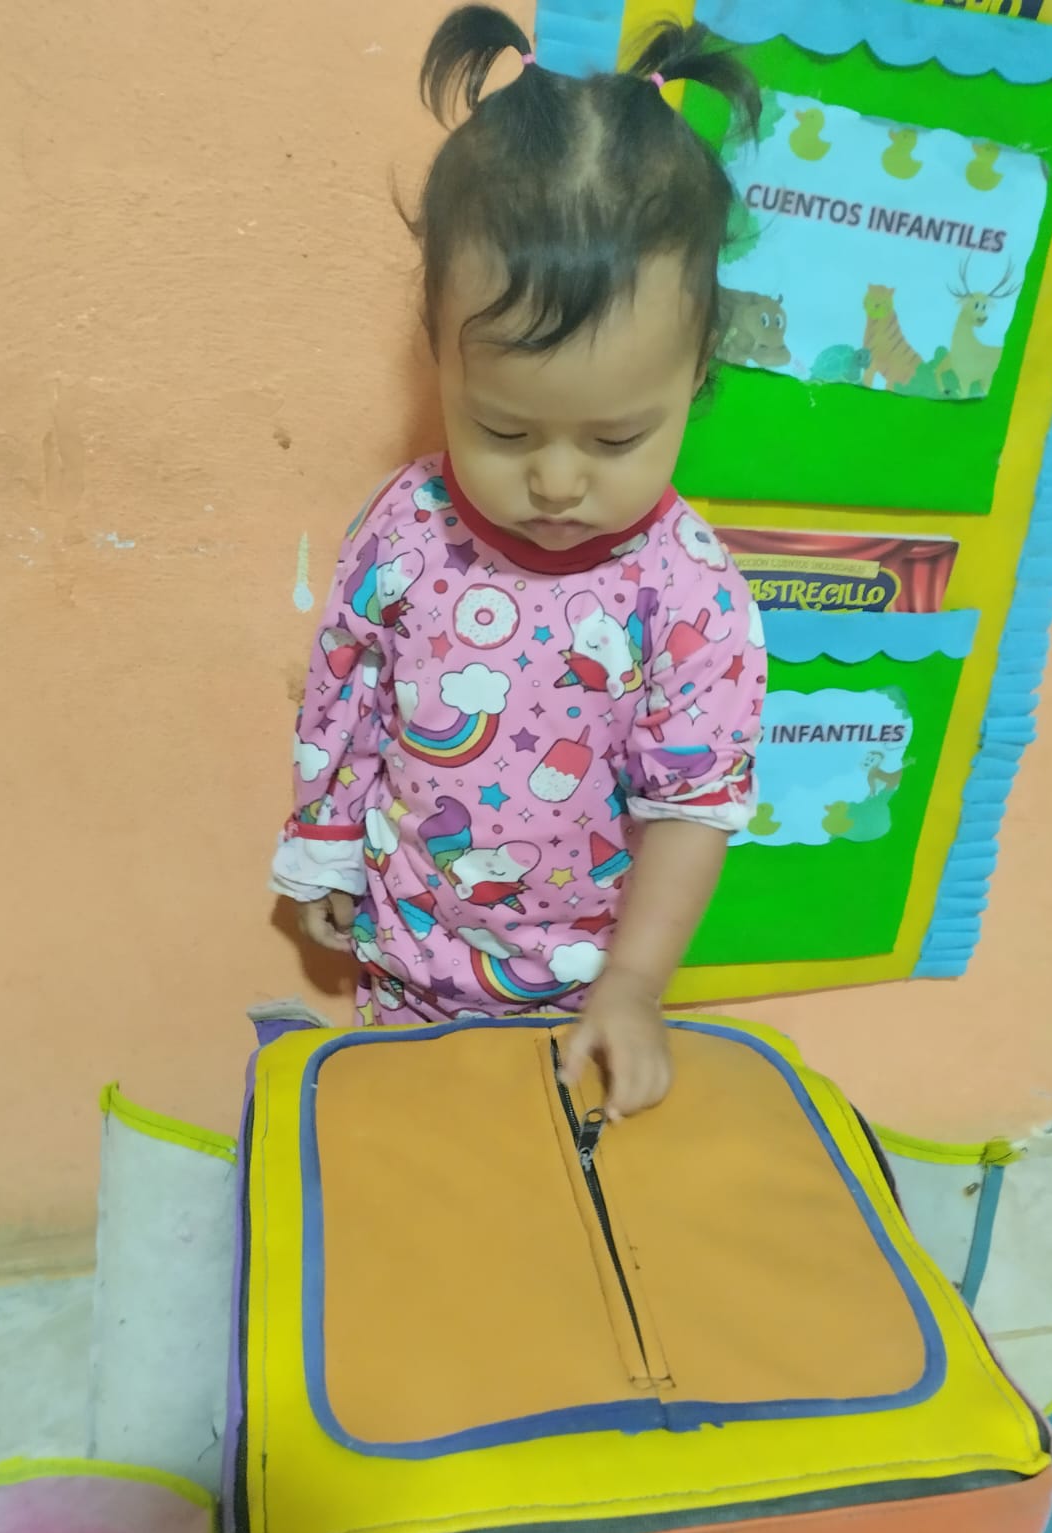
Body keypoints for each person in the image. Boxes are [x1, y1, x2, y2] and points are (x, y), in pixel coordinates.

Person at [271, 5, 766, 1119]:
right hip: (404, 965)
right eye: (502, 429)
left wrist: (635, 986)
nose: (554, 482)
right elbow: (346, 684)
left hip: (583, 997)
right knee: (419, 1162)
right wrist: (323, 846)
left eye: (614, 439)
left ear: (695, 376)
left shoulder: (690, 596)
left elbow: (694, 806)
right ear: (439, 358)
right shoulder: (406, 525)